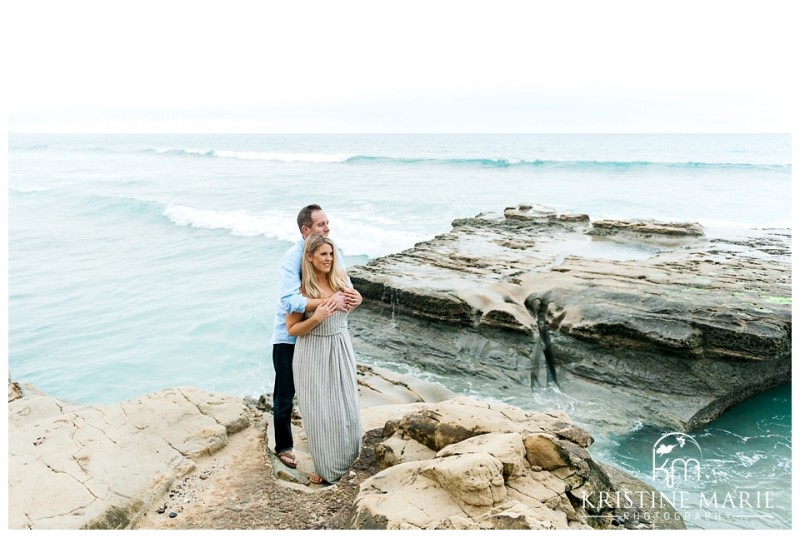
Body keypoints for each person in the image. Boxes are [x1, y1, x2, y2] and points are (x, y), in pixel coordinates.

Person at [270, 204, 361, 469]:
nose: (327, 228)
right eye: (322, 225)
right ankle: (284, 445)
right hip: (290, 337)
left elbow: (344, 285)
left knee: (325, 394)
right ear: (305, 230)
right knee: (285, 393)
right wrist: (325, 304)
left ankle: (331, 447)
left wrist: (354, 297)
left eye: (327, 223)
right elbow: (290, 301)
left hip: (322, 338)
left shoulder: (330, 250)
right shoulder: (292, 258)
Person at [286, 233, 362, 484]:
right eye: (323, 254)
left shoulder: (342, 281)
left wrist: (358, 300)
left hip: (341, 348)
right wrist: (317, 317)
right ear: (309, 257)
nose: (329, 259)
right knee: (320, 413)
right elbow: (292, 329)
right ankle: (325, 468)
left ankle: (349, 461)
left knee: (346, 408)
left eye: (331, 254)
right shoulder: (302, 292)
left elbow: (348, 309)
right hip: (312, 353)